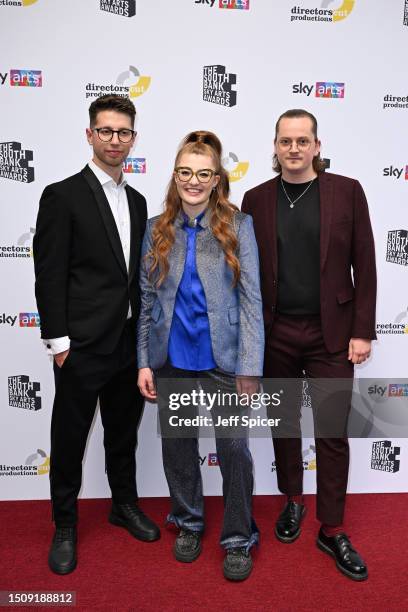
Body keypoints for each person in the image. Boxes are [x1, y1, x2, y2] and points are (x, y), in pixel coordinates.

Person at [242, 109, 377, 581]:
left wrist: (363, 331)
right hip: (275, 333)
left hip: (333, 334)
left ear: (317, 146)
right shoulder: (255, 199)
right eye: (285, 141)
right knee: (282, 425)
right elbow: (249, 275)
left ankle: (332, 527)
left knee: (332, 432)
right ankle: (293, 500)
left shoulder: (347, 191)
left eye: (303, 140)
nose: (294, 148)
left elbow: (365, 263)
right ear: (275, 147)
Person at [33, 94, 160, 576]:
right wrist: (59, 343)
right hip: (81, 346)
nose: (114, 140)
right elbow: (49, 274)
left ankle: (122, 504)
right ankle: (64, 524)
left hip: (127, 345)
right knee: (68, 439)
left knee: (122, 435)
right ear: (90, 135)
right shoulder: (62, 195)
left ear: (133, 138)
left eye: (123, 132)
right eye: (105, 131)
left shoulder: (138, 199)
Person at [137, 130, 264, 581]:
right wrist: (143, 361)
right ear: (175, 176)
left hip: (225, 361)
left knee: (233, 452)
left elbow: (251, 300)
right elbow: (147, 300)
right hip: (171, 359)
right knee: (178, 449)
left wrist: (251, 367)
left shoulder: (238, 225)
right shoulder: (156, 228)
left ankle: (237, 538)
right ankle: (188, 521)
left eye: (203, 174)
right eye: (186, 172)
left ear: (216, 179)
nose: (194, 181)